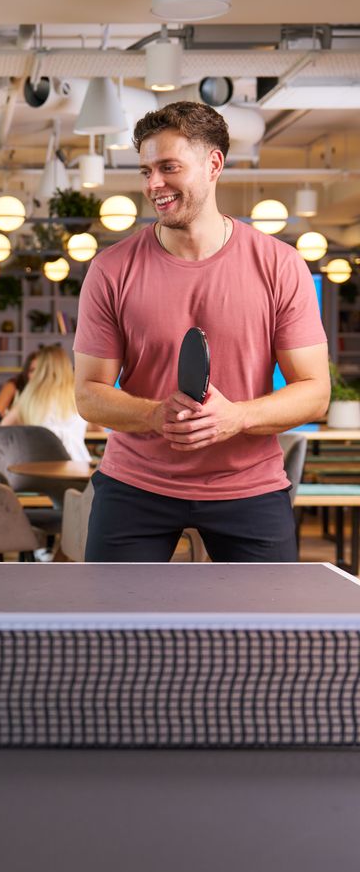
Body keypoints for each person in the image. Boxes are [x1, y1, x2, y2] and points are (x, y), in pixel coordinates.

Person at [73, 100, 330, 563]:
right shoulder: (110, 270)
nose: (154, 184)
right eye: (146, 170)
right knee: (108, 632)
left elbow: (314, 392)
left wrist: (237, 417)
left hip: (248, 484)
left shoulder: (280, 265)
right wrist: (155, 415)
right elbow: (88, 394)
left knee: (271, 634)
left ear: (214, 164)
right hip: (136, 482)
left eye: (169, 167)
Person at [1, 344, 91, 462]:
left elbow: (2, 431)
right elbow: (99, 429)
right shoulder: (81, 396)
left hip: (40, 467)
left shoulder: (30, 398)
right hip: (78, 466)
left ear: (41, 369)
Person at [0, 351, 38, 423]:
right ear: (26, 372)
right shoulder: (14, 386)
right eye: (32, 370)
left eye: (40, 370)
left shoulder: (52, 391)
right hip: (14, 430)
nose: (37, 374)